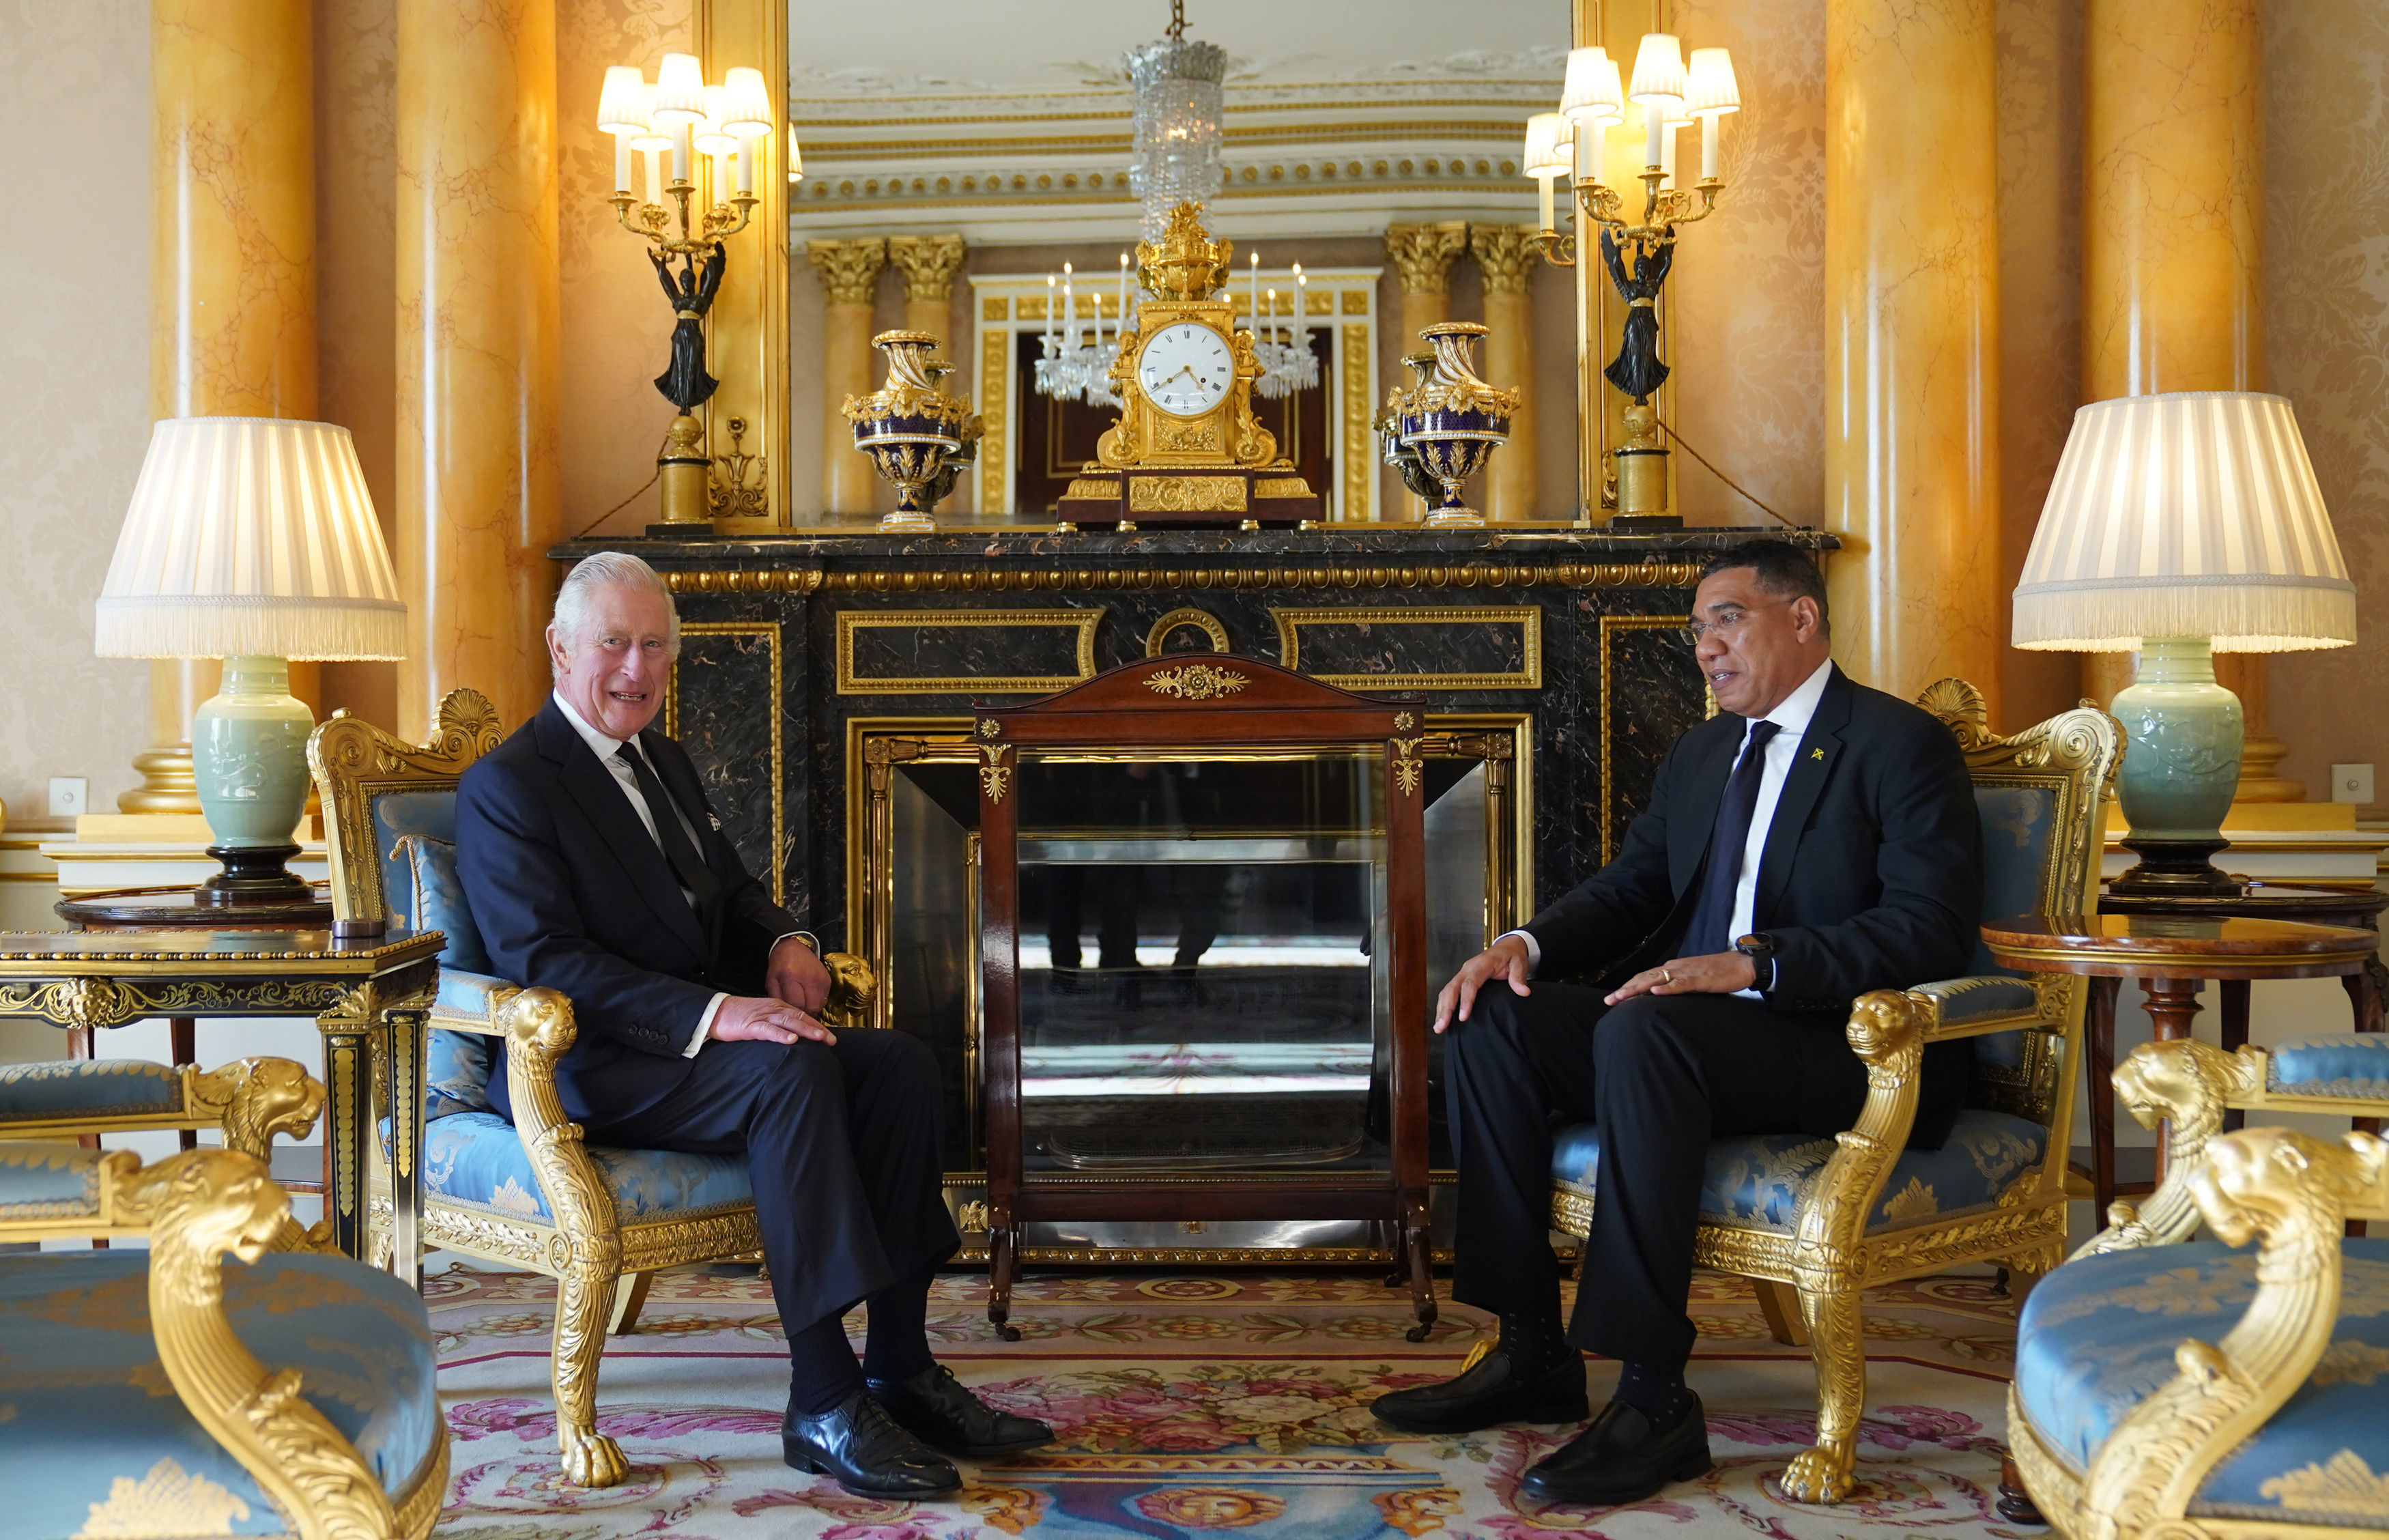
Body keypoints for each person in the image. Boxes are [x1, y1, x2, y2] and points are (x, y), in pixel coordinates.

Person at [1371, 542, 1981, 1506]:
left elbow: (1928, 927)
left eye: (1727, 619)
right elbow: (1634, 887)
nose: (1706, 647)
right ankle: (1532, 1349)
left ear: (1802, 620)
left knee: (1643, 1031)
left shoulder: (1896, 744)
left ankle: (1655, 1399)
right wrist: (1523, 943)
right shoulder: (1704, 752)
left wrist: (1759, 961)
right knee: (1491, 1015)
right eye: (1697, 629)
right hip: (1688, 1037)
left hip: (1832, 1040)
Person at [457, 551, 1050, 1500]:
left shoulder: (663, 758)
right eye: (614, 643)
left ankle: (899, 1367)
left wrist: (789, 940)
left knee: (893, 1064)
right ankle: (822, 1397)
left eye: (655, 648)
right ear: (561, 648)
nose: (636, 670)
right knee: (791, 1070)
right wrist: (720, 1013)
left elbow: (731, 895)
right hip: (590, 1060)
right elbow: (546, 965)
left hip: (690, 1051)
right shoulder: (511, 785)